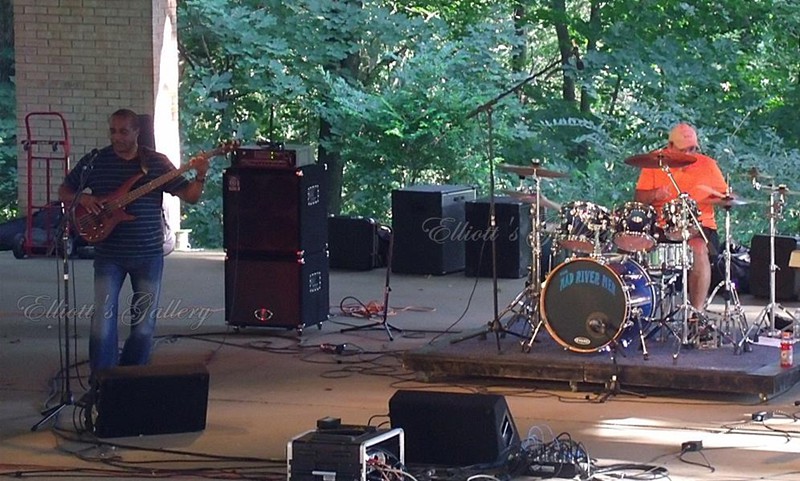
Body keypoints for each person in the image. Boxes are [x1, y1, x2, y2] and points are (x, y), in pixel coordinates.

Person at [58, 109, 209, 380]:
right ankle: (102, 382)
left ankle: (130, 380)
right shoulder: (96, 161)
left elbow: (190, 196)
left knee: (144, 324)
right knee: (103, 320)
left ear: (137, 132)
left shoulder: (156, 163)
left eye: (123, 131)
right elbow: (65, 190)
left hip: (148, 253)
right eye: (113, 131)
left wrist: (200, 176)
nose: (117, 137)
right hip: (109, 253)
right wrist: (86, 200)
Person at [634, 123, 728, 312]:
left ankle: (696, 313)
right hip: (663, 227)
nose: (689, 154)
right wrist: (655, 194)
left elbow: (726, 198)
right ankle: (640, 309)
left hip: (700, 226)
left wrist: (713, 197)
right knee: (633, 244)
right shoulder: (655, 163)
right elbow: (639, 199)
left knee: (699, 249)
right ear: (670, 146)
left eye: (693, 149)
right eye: (684, 150)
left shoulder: (708, 165)